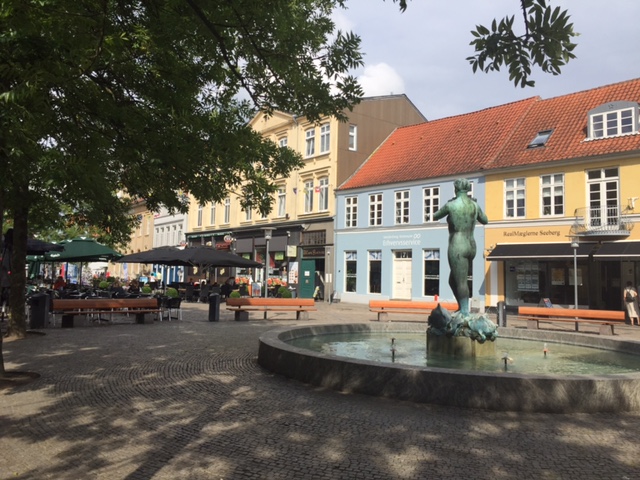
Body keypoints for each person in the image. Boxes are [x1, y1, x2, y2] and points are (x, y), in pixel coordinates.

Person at [433, 178, 488, 316]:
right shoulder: (474, 205)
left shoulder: (451, 205)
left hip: (457, 245)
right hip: (471, 245)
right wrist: (474, 205)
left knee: (461, 281)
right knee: (453, 280)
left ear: (456, 189)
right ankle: (461, 307)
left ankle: (464, 312)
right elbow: (485, 220)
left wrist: (449, 204)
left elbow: (435, 216)